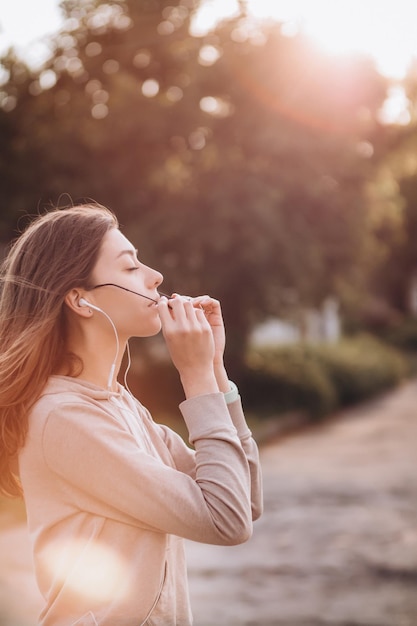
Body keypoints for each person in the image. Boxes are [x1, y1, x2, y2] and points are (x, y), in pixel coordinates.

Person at [0, 203, 263, 626]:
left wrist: (213, 368)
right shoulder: (63, 418)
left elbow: (244, 499)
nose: (154, 276)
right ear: (80, 300)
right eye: (130, 267)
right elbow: (226, 522)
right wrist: (193, 374)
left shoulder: (119, 404)